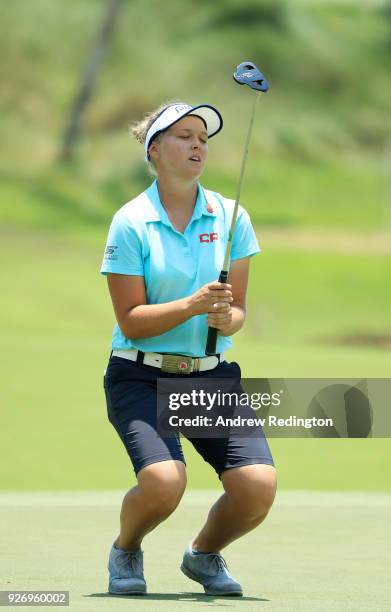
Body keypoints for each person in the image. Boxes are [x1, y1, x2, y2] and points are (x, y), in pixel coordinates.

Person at [100, 101, 277, 597]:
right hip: (141, 375)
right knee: (163, 482)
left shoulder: (230, 215)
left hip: (209, 376)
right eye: (183, 136)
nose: (197, 144)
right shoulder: (131, 221)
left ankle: (202, 556)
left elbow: (237, 310)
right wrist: (195, 305)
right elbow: (131, 322)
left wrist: (226, 316)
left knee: (256, 488)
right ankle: (127, 547)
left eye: (202, 137)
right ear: (155, 150)